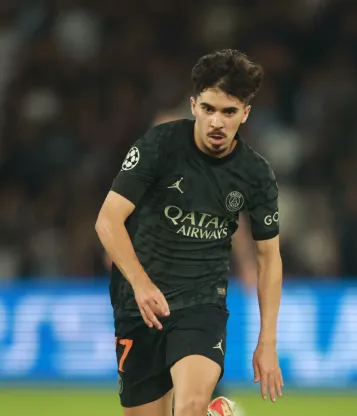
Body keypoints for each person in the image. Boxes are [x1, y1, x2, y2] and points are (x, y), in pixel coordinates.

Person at [95, 49, 284, 416]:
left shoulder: (256, 174)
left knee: (191, 406)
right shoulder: (159, 146)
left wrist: (268, 342)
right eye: (209, 109)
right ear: (194, 106)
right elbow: (108, 220)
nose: (217, 121)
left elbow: (269, 259)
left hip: (201, 304)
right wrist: (141, 282)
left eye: (229, 112)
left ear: (245, 113)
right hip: (140, 305)